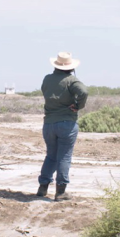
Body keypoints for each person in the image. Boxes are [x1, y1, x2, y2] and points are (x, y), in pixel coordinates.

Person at [37, 52, 88, 201]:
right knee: (64, 157)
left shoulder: (47, 79)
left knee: (51, 156)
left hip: (48, 123)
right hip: (67, 123)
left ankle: (43, 187)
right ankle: (60, 192)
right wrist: (78, 106)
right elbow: (84, 91)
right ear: (71, 67)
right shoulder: (71, 80)